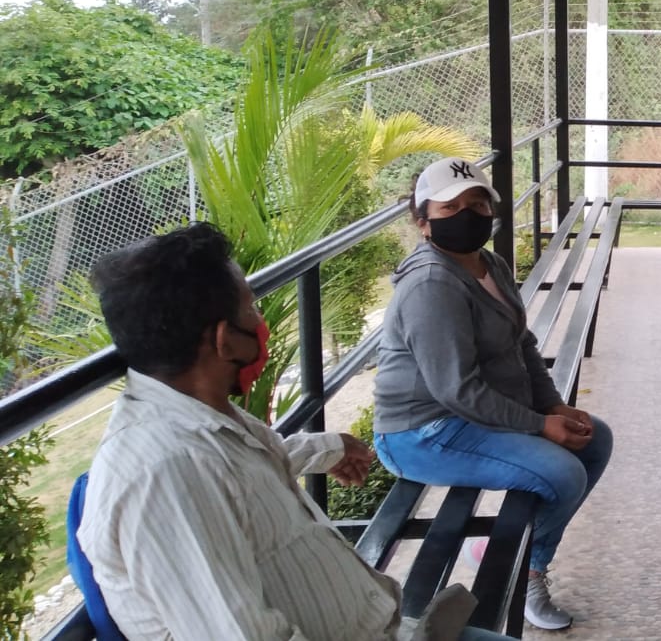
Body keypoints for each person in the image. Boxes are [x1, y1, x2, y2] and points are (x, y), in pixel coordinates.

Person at [78, 223, 516, 641]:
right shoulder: (164, 474)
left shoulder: (200, 417)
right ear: (223, 340)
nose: (260, 321)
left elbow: (241, 479)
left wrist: (328, 447)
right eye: (250, 309)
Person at [371, 157, 613, 632]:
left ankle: (519, 554)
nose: (469, 214)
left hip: (465, 415)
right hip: (421, 433)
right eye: (450, 207)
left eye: (478, 203)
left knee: (594, 438)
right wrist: (539, 425)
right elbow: (455, 389)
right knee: (563, 473)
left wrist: (552, 405)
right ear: (423, 222)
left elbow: (522, 343)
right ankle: (526, 572)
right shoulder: (431, 283)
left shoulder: (491, 264)